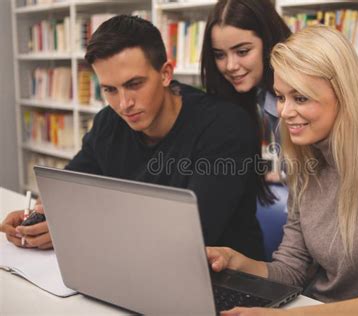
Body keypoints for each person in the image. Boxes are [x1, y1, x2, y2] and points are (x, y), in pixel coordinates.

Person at [206, 25, 358, 316]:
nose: (285, 111)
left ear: (344, 95)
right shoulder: (308, 161)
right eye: (281, 96)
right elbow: (291, 270)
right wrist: (237, 263)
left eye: (300, 98)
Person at [0, 15, 264, 260]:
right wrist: (40, 217)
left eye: (134, 84)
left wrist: (72, 227)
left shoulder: (226, 127)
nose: (124, 104)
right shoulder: (108, 122)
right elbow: (67, 191)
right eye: (110, 89)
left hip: (226, 280)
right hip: (134, 264)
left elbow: (190, 236)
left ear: (165, 74)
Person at [201, 0, 292, 188]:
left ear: (269, 43)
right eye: (219, 55)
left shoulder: (302, 91)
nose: (230, 66)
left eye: (242, 51)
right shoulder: (247, 97)